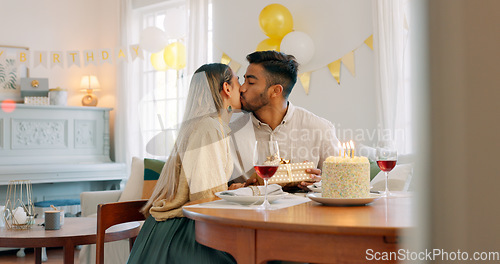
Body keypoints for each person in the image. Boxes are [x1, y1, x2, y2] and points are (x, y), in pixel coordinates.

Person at [127, 63, 240, 264]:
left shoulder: (210, 125)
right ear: (227, 88)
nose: (243, 88)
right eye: (239, 82)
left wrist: (231, 189)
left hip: (167, 229)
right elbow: (205, 197)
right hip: (181, 232)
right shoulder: (209, 127)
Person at [233, 50, 339, 189]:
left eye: (251, 82)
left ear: (276, 91)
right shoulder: (231, 132)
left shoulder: (320, 129)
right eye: (244, 80)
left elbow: (339, 183)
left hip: (304, 209)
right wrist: (239, 188)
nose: (242, 88)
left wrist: (319, 182)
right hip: (251, 209)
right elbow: (219, 189)